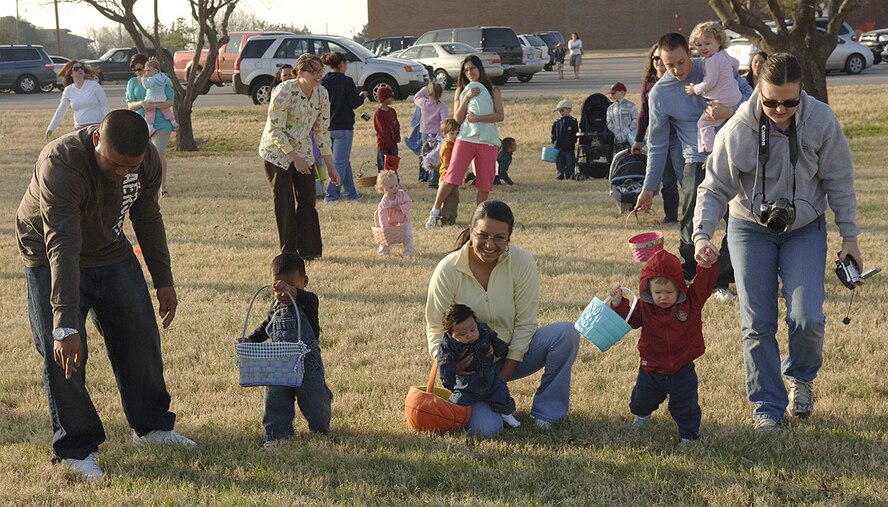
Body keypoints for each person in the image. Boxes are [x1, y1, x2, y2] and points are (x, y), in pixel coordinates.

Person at [17, 109, 196, 482]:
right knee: (62, 355)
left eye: (130, 167)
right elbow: (62, 245)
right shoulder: (61, 163)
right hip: (49, 254)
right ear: (96, 138)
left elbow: (147, 216)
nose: (122, 174)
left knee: (140, 337)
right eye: (114, 165)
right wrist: (65, 325)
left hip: (111, 248)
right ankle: (76, 449)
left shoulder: (144, 162)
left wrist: (163, 279)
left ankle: (151, 427)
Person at [693, 53, 863, 431]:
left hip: (805, 225)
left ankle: (800, 379)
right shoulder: (738, 127)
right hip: (750, 226)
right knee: (757, 322)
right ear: (757, 88)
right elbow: (714, 187)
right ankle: (767, 406)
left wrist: (849, 237)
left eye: (790, 101)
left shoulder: (821, 120)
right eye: (770, 102)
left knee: (807, 316)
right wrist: (702, 234)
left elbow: (839, 180)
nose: (779, 109)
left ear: (802, 91)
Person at [425, 200, 581, 435]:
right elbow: (435, 328)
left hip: (511, 354)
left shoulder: (522, 262)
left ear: (509, 237)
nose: (490, 244)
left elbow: (526, 323)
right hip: (471, 370)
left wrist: (503, 376)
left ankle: (547, 414)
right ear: (471, 231)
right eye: (483, 235)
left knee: (566, 334)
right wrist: (450, 363)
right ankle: (487, 406)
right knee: (486, 430)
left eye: (499, 238)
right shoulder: (448, 270)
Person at [634, 33, 749, 286]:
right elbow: (658, 144)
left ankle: (724, 277)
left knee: (738, 217)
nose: (677, 70)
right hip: (695, 160)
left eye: (681, 62)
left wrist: (730, 110)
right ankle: (691, 273)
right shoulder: (660, 94)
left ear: (690, 52)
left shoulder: (713, 65)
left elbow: (753, 100)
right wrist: (649, 188)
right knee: (691, 221)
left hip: (733, 155)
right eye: (669, 64)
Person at [609, 250, 718, 446]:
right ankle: (643, 415)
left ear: (680, 288)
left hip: (682, 368)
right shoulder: (645, 306)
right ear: (648, 290)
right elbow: (631, 321)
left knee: (686, 406)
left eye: (669, 292)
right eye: (657, 293)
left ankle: (689, 435)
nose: (663, 297)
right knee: (640, 402)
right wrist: (618, 303)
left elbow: (704, 285)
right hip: (650, 368)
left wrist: (706, 267)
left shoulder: (690, 302)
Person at [259, 53, 341, 259]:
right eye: (312, 71)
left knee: (308, 200)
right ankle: (288, 253)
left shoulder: (322, 94)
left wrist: (330, 166)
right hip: (277, 152)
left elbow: (321, 131)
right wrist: (295, 158)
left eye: (320, 70)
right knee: (284, 202)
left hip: (304, 151)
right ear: (300, 73)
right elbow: (275, 129)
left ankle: (309, 252)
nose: (318, 75)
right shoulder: (284, 91)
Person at [244, 253, 332, 445]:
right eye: (279, 287)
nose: (284, 293)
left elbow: (310, 299)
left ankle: (319, 430)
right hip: (278, 361)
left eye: (291, 285)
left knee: (313, 398)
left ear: (304, 281)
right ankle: (276, 434)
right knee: (276, 399)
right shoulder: (276, 304)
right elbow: (268, 325)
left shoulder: (309, 302)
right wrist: (251, 339)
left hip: (307, 360)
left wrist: (294, 292)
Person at [424, 55, 505, 228]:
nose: (469, 72)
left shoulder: (493, 89)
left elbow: (500, 116)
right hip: (465, 139)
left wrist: (478, 118)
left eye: (472, 68)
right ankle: (435, 211)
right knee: (451, 177)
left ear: (480, 69)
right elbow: (458, 120)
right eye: (466, 70)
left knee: (484, 182)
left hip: (487, 141)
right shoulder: (461, 90)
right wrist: (467, 97)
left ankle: (478, 220)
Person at [438, 304, 521, 429]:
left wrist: (502, 350)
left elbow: (495, 340)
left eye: (472, 330)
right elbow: (445, 364)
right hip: (466, 383)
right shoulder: (447, 344)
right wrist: (449, 382)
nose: (470, 335)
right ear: (450, 334)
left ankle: (506, 414)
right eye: (462, 334)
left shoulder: (484, 330)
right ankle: (456, 421)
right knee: (457, 402)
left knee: (501, 392)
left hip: (489, 377)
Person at [632, 44, 679, 225]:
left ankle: (695, 215)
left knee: (686, 178)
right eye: (655, 58)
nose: (658, 61)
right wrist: (638, 139)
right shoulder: (648, 84)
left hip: (678, 137)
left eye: (661, 58)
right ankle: (671, 216)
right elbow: (644, 114)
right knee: (667, 180)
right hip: (661, 138)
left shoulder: (676, 80)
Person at [684, 22, 741, 154]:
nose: (703, 48)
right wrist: (728, 77)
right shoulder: (723, 54)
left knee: (704, 124)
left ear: (719, 42)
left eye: (707, 43)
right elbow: (736, 63)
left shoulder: (711, 60)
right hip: (734, 95)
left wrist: (695, 89)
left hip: (722, 100)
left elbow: (710, 81)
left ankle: (711, 151)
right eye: (699, 45)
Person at [126, 53, 175, 197]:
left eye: (141, 69)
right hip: (140, 124)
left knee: (159, 154)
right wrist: (142, 103)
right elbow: (130, 105)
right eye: (136, 70)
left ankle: (163, 187)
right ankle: (143, 187)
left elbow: (171, 101)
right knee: (140, 157)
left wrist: (155, 105)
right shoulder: (132, 83)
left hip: (161, 124)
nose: (140, 73)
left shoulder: (161, 80)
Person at [320, 52, 367, 201]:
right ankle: (331, 194)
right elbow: (354, 102)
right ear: (341, 64)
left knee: (343, 160)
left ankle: (350, 193)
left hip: (328, 126)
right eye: (346, 63)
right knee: (340, 163)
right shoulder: (346, 81)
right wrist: (363, 96)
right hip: (344, 127)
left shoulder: (324, 81)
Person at [45, 60, 110, 139]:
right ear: (71, 74)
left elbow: (105, 104)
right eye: (76, 69)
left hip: (96, 127)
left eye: (81, 68)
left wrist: (106, 125)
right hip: (79, 129)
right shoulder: (68, 90)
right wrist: (51, 128)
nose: (80, 70)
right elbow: (61, 110)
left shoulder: (94, 85)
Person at [413, 81, 448, 185]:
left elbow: (416, 97)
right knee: (435, 158)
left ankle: (423, 177)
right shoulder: (442, 107)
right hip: (436, 135)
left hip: (424, 133)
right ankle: (433, 181)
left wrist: (424, 89)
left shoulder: (424, 103)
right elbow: (444, 122)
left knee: (424, 155)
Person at [374, 170, 414, 257]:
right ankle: (383, 254)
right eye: (391, 187)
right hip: (391, 223)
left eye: (396, 185)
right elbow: (382, 217)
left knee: (407, 236)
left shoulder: (402, 194)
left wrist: (400, 207)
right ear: (382, 189)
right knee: (385, 239)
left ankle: (408, 253)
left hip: (404, 221)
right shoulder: (384, 203)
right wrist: (385, 229)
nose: (395, 188)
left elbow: (409, 204)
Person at [140, 58, 179, 136]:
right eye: (146, 71)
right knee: (165, 110)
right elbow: (170, 84)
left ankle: (150, 127)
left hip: (151, 98)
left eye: (149, 70)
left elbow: (147, 86)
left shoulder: (152, 79)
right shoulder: (163, 76)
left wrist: (143, 79)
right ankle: (173, 122)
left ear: (156, 70)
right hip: (161, 97)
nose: (147, 73)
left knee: (150, 111)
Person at [438, 118, 461, 226]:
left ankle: (451, 217)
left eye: (457, 133)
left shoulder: (454, 144)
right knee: (450, 199)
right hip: (447, 176)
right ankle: (447, 219)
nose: (455, 136)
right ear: (445, 134)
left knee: (454, 198)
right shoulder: (447, 146)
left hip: (453, 176)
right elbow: (447, 164)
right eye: (452, 133)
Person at [606, 82, 638, 153]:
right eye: (611, 94)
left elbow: (636, 119)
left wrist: (629, 130)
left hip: (630, 140)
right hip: (617, 140)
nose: (612, 95)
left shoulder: (630, 106)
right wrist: (615, 130)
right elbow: (609, 122)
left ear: (622, 92)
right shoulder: (610, 109)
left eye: (614, 93)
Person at [374, 86, 400, 171]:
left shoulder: (392, 111)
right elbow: (381, 129)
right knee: (383, 166)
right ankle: (383, 182)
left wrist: (397, 136)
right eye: (390, 97)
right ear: (384, 98)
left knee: (393, 165)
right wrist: (387, 142)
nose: (392, 98)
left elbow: (396, 124)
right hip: (383, 145)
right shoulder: (379, 113)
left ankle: (394, 181)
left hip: (393, 143)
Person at [551, 99, 578, 180]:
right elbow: (553, 133)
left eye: (562, 110)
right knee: (559, 162)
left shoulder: (572, 121)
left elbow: (574, 133)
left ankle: (570, 175)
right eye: (559, 111)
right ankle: (560, 174)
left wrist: (572, 142)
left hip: (569, 147)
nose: (561, 112)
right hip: (559, 146)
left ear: (569, 110)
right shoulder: (557, 122)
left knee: (570, 162)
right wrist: (554, 141)